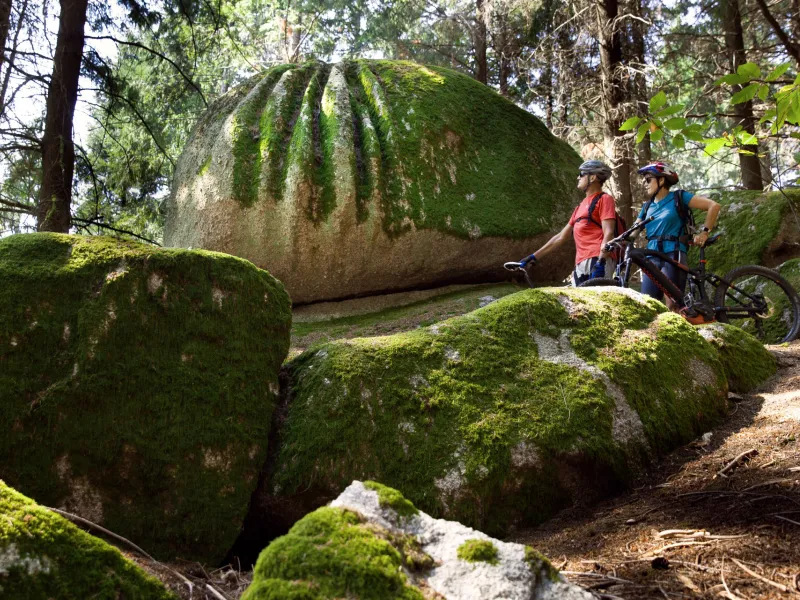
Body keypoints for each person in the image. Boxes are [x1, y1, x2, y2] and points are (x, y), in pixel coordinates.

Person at [634, 161, 721, 308]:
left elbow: (714, 206)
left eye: (648, 179)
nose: (645, 183)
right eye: (644, 180)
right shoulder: (647, 206)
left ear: (661, 180)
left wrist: (704, 233)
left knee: (673, 303)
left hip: (673, 252)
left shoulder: (679, 197)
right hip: (651, 256)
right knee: (647, 304)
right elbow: (634, 230)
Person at [518, 160, 618, 286]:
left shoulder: (604, 199)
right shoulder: (580, 207)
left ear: (592, 177)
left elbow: (608, 232)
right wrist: (533, 257)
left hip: (597, 258)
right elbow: (560, 237)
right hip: (581, 262)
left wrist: (601, 262)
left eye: (581, 174)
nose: (578, 177)